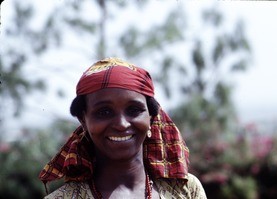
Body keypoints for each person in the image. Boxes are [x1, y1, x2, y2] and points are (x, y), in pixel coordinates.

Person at [39, 57, 207, 199]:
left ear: (151, 117)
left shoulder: (186, 190)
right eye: (104, 112)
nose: (121, 124)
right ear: (83, 120)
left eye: (134, 110)